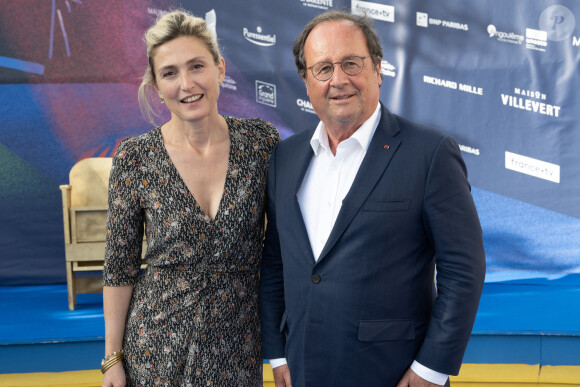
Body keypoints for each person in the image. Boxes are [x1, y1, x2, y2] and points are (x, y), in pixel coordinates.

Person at [260, 10, 486, 387]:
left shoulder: (429, 154)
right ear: (306, 81)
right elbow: (274, 261)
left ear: (378, 69)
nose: (339, 80)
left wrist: (431, 369)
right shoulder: (285, 158)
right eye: (324, 68)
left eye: (351, 63)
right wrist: (278, 353)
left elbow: (464, 269)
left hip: (394, 373)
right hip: (302, 370)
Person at [101, 10, 280, 387]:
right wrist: (113, 360)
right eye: (170, 73)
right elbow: (119, 268)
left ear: (219, 68)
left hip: (237, 345)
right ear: (156, 84)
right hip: (154, 348)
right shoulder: (134, 158)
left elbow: (282, 252)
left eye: (196, 66)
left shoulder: (261, 143)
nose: (186, 84)